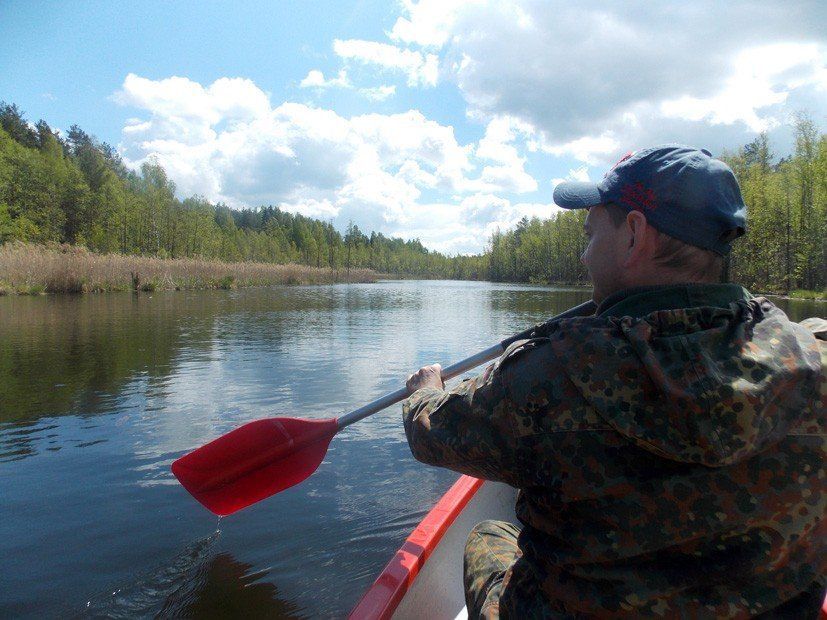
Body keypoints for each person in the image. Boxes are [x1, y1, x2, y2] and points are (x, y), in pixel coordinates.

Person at [403, 145, 825, 618]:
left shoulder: (547, 378)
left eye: (589, 235)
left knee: (488, 536)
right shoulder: (813, 362)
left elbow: (432, 435)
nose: (584, 257)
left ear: (633, 235)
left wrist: (426, 391)